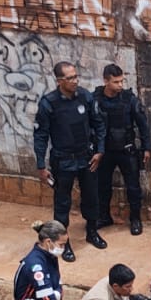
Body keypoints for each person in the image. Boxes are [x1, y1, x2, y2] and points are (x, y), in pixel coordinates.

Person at [33, 62, 106, 261]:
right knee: (62, 204)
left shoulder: (85, 96)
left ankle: (92, 232)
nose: (75, 81)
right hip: (63, 161)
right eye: (70, 78)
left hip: (86, 158)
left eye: (76, 77)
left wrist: (99, 151)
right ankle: (64, 243)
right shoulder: (49, 103)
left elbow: (99, 124)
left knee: (91, 198)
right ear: (59, 81)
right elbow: (41, 135)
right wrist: (41, 165)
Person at [93, 64, 151, 236]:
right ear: (106, 81)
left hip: (127, 150)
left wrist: (146, 147)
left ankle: (135, 219)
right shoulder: (95, 99)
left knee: (133, 188)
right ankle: (104, 217)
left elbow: (143, 124)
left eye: (122, 81)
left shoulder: (129, 99)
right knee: (102, 186)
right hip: (105, 151)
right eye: (116, 82)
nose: (120, 85)